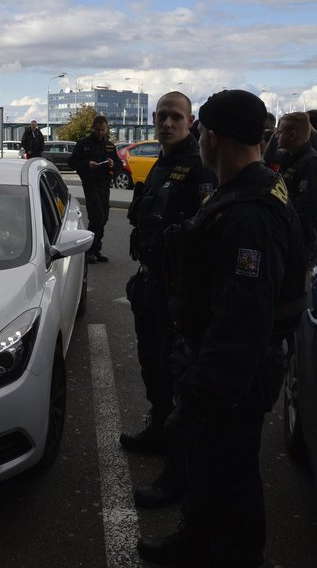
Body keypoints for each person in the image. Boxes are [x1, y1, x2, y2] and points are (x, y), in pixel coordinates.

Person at [138, 90, 305, 566]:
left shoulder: (250, 212)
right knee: (212, 470)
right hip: (223, 365)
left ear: (212, 137)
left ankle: (230, 553)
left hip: (232, 377)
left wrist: (201, 396)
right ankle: (198, 535)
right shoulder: (243, 190)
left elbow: (241, 324)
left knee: (231, 476)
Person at [121, 92, 216, 512]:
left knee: (179, 376)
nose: (166, 123)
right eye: (161, 116)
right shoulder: (161, 161)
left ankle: (177, 472)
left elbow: (207, 235)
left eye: (175, 117)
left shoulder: (199, 167)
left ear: (190, 120)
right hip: (152, 283)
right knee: (152, 362)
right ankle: (157, 429)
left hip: (179, 292)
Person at [273, 112, 317, 262]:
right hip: (284, 233)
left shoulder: (311, 162)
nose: (276, 136)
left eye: (279, 132)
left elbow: (309, 208)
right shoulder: (289, 157)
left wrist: (285, 229)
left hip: (298, 239)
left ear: (292, 135)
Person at [68, 115, 122, 264]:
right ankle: (89, 251)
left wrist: (112, 165)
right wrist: (87, 164)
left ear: (106, 129)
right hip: (90, 184)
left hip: (104, 185)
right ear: (92, 128)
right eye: (97, 130)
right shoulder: (83, 143)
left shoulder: (110, 145)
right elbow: (72, 162)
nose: (100, 133)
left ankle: (96, 249)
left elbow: (119, 164)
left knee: (103, 217)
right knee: (96, 217)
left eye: (103, 130)